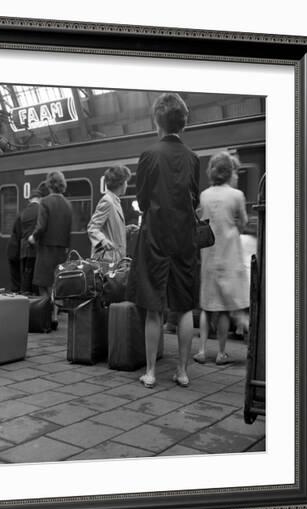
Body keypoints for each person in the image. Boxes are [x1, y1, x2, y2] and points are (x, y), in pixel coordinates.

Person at [126, 92, 200, 389]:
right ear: (184, 123)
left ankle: (151, 372)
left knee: (153, 306)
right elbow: (193, 199)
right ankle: (182, 371)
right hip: (184, 238)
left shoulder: (149, 155)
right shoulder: (193, 158)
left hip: (155, 235)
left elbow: (142, 200)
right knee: (183, 307)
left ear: (157, 120)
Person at [193, 152, 249, 365]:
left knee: (207, 305)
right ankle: (221, 353)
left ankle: (201, 349)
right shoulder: (237, 195)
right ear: (229, 172)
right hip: (228, 254)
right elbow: (242, 223)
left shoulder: (205, 195)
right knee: (224, 308)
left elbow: (200, 219)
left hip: (208, 254)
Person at [28, 171, 73, 329]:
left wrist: (33, 237)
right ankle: (54, 316)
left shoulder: (45, 202)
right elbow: (69, 230)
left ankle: (45, 316)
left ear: (49, 185)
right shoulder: (68, 204)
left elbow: (41, 226)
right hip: (61, 250)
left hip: (46, 248)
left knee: (42, 283)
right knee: (55, 284)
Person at [87, 165, 131, 262]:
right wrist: (102, 240)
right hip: (107, 260)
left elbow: (110, 229)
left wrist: (126, 229)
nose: (127, 185)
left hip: (114, 259)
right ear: (121, 183)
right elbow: (92, 228)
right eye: (126, 181)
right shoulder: (108, 201)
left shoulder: (114, 201)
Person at [19, 182, 49, 293]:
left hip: (24, 249)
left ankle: (25, 296)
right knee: (35, 277)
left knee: (26, 274)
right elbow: (41, 227)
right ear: (39, 198)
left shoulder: (24, 212)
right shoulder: (40, 210)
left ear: (30, 199)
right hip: (36, 248)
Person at [6, 215, 22, 292]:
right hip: (15, 253)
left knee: (15, 278)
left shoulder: (18, 220)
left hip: (13, 252)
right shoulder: (20, 223)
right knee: (16, 279)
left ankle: (15, 293)